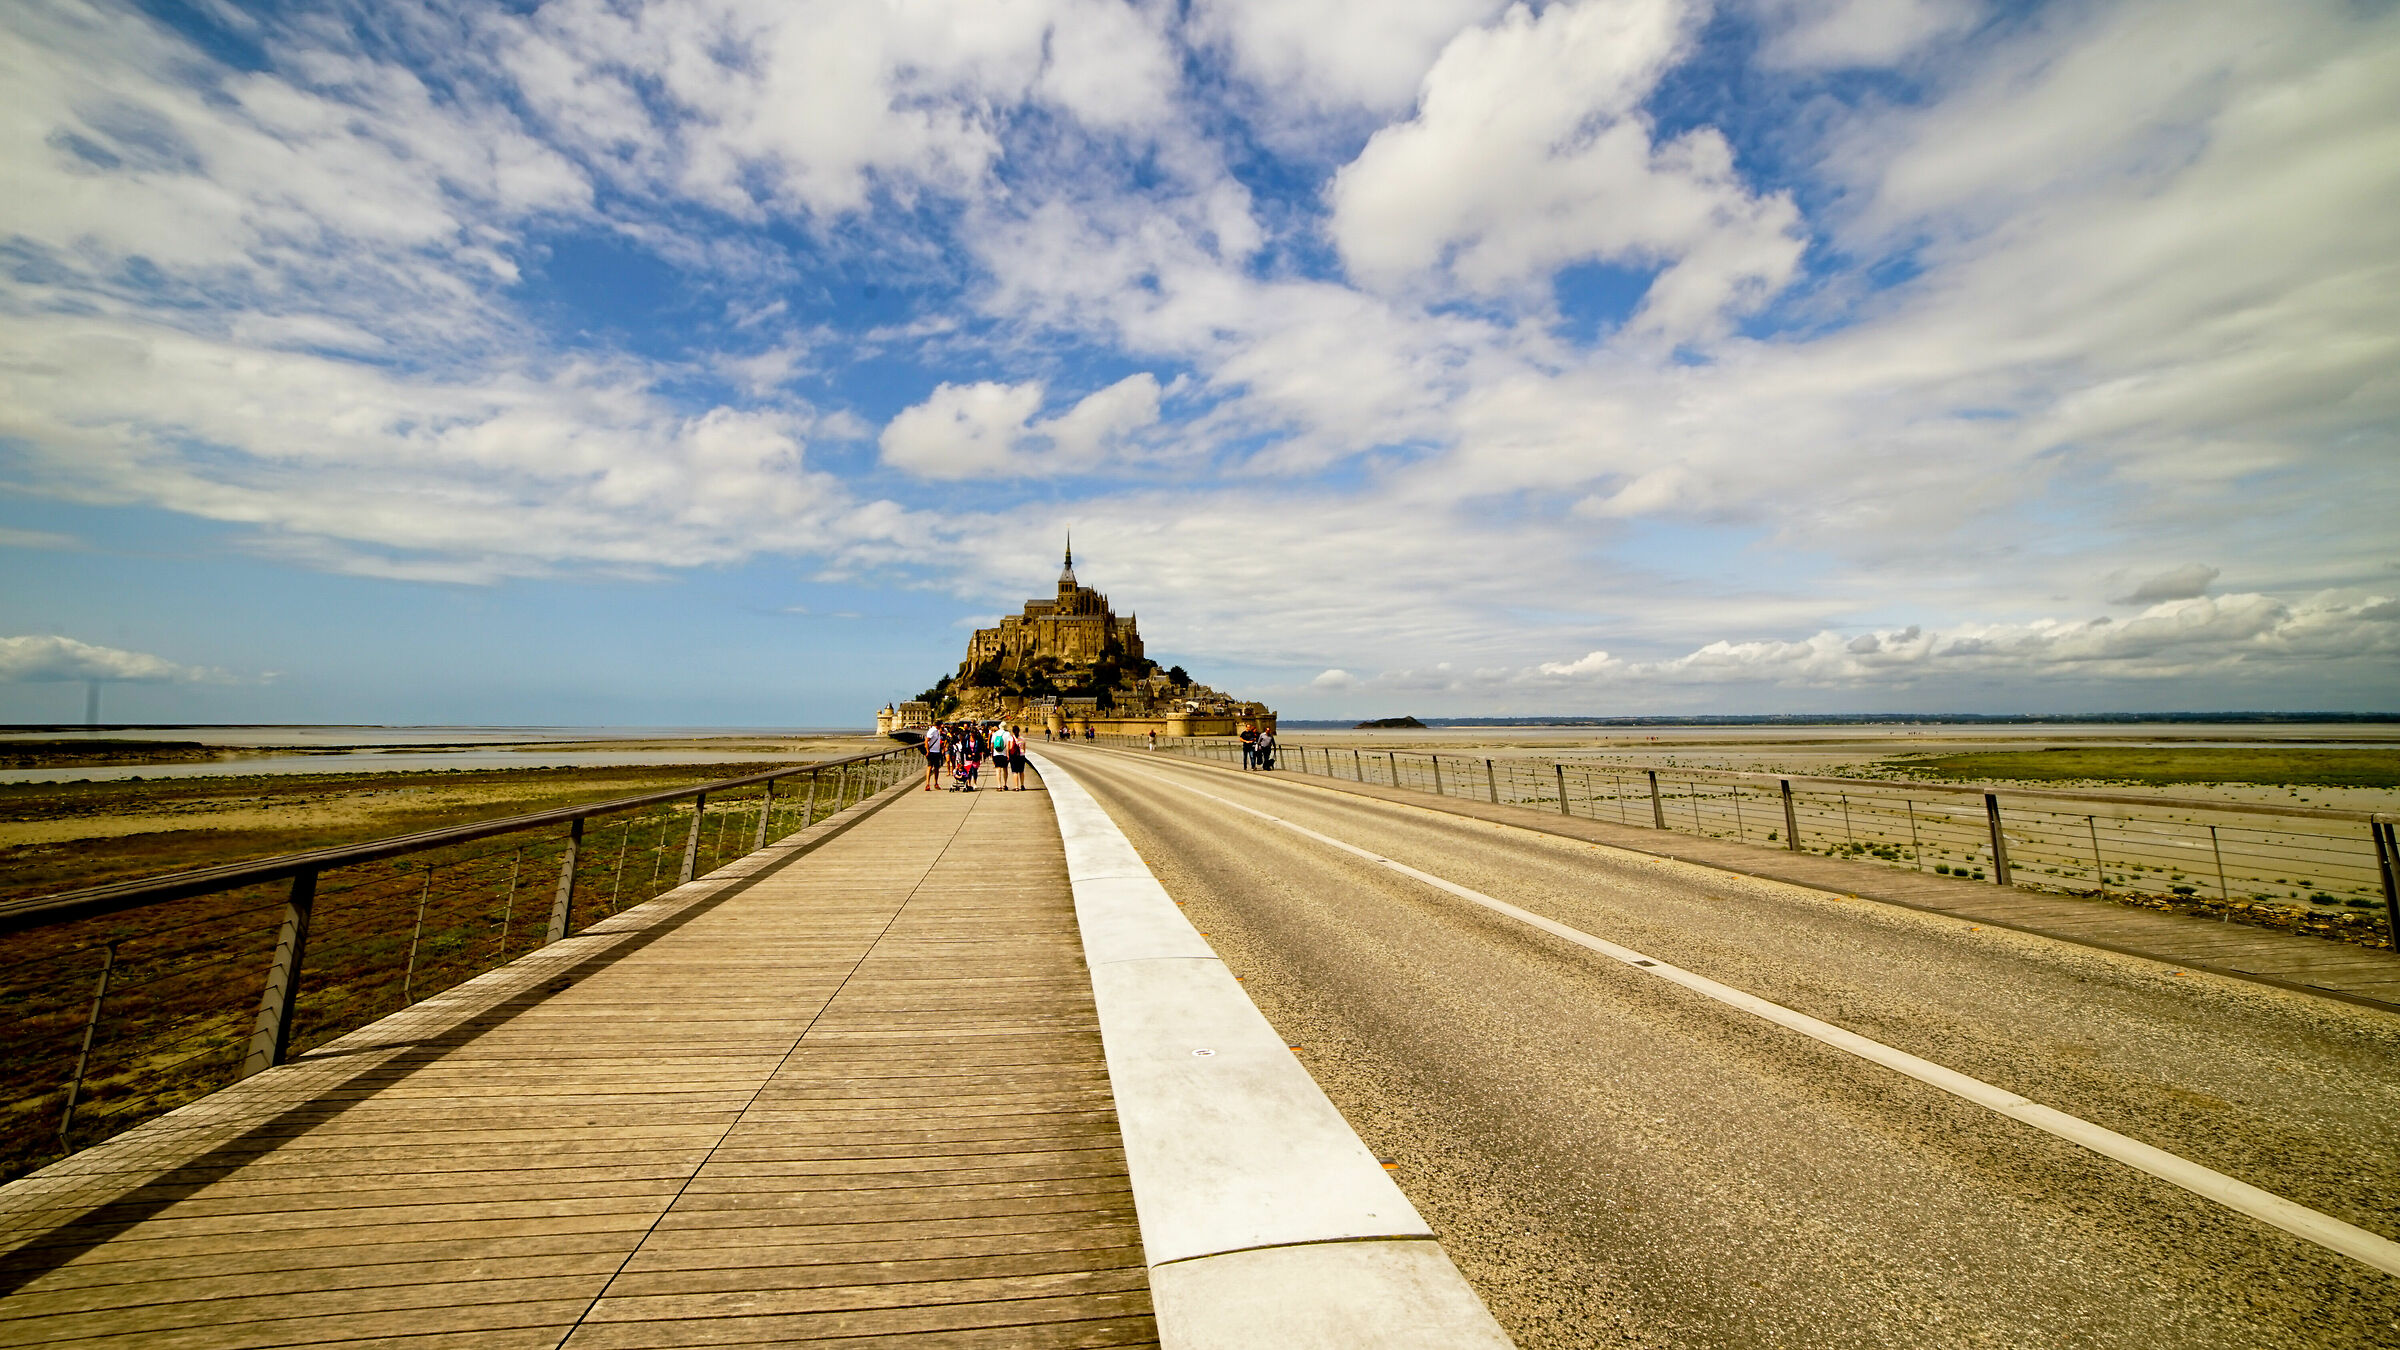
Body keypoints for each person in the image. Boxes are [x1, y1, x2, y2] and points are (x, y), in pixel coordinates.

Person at [922, 722, 945, 791]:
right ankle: (927, 784)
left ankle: (936, 783)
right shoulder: (932, 730)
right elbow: (926, 740)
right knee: (930, 767)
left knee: (936, 768)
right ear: (939, 725)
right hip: (932, 752)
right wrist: (927, 750)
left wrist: (942, 747)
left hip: (937, 751)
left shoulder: (937, 731)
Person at [1007, 724, 1029, 790]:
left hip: (1013, 756)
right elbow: (1024, 749)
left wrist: (1008, 756)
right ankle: (1022, 785)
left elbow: (1009, 748)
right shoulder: (1022, 739)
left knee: (1015, 772)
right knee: (1021, 771)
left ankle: (1016, 786)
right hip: (1021, 756)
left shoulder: (1010, 738)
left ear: (1013, 731)